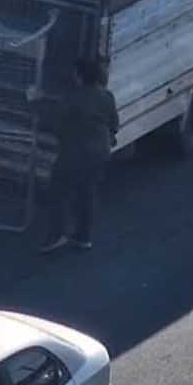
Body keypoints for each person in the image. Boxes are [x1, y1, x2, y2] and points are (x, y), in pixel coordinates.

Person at [33, 57, 120, 253]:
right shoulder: (107, 96)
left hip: (75, 153)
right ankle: (83, 236)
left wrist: (35, 103)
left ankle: (56, 235)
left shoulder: (72, 99)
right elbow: (114, 122)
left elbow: (54, 123)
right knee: (87, 192)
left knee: (58, 192)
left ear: (79, 76)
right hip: (100, 152)